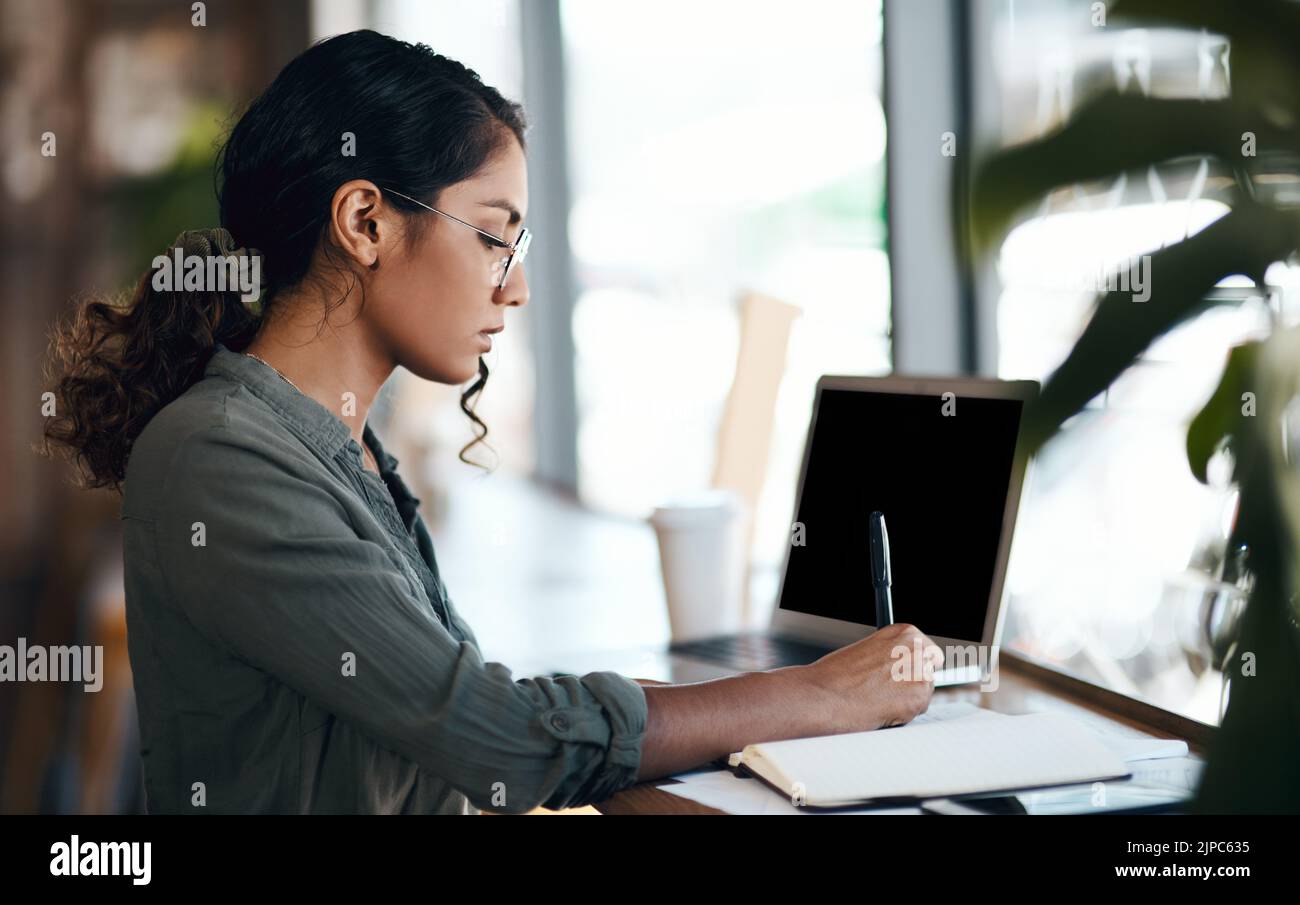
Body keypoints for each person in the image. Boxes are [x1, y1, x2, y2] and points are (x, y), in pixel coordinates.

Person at [40, 29, 942, 814]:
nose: (512, 285)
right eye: (492, 234)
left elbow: (475, 718)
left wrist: (784, 696)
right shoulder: (222, 456)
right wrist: (814, 695)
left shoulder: (337, 449)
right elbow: (502, 741)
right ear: (364, 221)